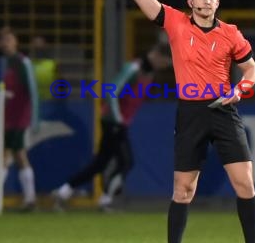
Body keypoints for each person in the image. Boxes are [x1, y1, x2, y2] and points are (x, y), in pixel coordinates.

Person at [113, 0, 255, 243]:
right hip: (191, 111)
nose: (207, 1)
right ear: (190, 2)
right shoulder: (176, 23)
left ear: (217, 2)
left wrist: (240, 90)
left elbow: (252, 70)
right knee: (184, 189)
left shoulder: (232, 33)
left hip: (224, 109)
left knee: (245, 181)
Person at [52, 42, 172, 211]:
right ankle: (105, 199)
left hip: (120, 122)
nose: (165, 67)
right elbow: (111, 92)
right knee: (126, 161)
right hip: (113, 122)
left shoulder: (149, 73)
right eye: (165, 63)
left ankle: (64, 192)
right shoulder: (133, 68)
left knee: (101, 163)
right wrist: (118, 119)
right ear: (158, 55)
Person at [0, 27, 39, 212]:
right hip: (5, 117)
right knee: (16, 155)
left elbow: (32, 91)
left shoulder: (22, 62)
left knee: (8, 154)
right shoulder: (2, 63)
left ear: (16, 42)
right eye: (3, 40)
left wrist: (35, 118)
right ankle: (29, 199)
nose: (6, 43)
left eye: (9, 39)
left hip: (19, 117)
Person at [30, 35, 57, 100]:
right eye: (35, 44)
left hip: (49, 101)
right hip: (32, 101)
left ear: (45, 45)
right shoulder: (28, 64)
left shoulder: (52, 64)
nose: (38, 46)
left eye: (40, 43)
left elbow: (59, 83)